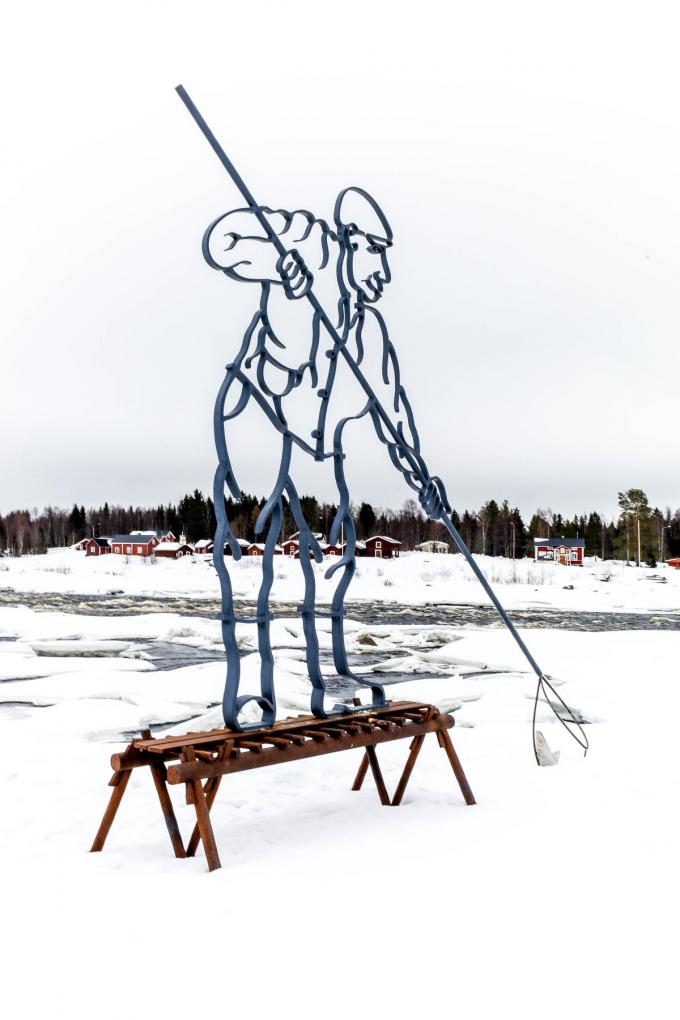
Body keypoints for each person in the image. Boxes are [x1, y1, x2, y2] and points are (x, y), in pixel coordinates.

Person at [203, 189, 449, 729]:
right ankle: (248, 692)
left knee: (324, 568)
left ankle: (320, 687)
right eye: (373, 252)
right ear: (346, 243)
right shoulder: (309, 247)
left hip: (315, 447)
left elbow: (394, 416)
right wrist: (277, 259)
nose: (383, 271)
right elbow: (224, 242)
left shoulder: (370, 334)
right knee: (254, 568)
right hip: (261, 423)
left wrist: (421, 479)